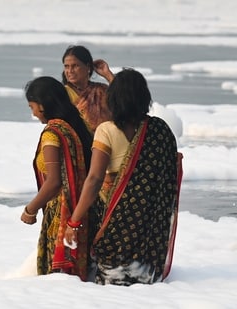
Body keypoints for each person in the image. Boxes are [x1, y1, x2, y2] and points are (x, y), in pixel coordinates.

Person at [64, 68, 180, 286]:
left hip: (115, 215)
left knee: (113, 284)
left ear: (113, 99)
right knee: (143, 287)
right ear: (145, 97)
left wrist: (74, 220)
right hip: (150, 221)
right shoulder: (160, 129)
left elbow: (95, 179)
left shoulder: (106, 130)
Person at [20, 76, 93, 281]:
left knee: (57, 277)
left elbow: (53, 182)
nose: (32, 112)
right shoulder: (75, 126)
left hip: (61, 213)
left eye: (32, 106)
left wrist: (30, 209)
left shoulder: (52, 134)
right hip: (81, 210)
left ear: (42, 105)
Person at [61, 45, 114, 133]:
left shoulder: (101, 90)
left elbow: (125, 104)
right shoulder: (62, 93)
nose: (70, 71)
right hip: (75, 144)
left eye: (75, 66)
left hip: (104, 142)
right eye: (66, 66)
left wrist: (108, 75)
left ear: (88, 67)